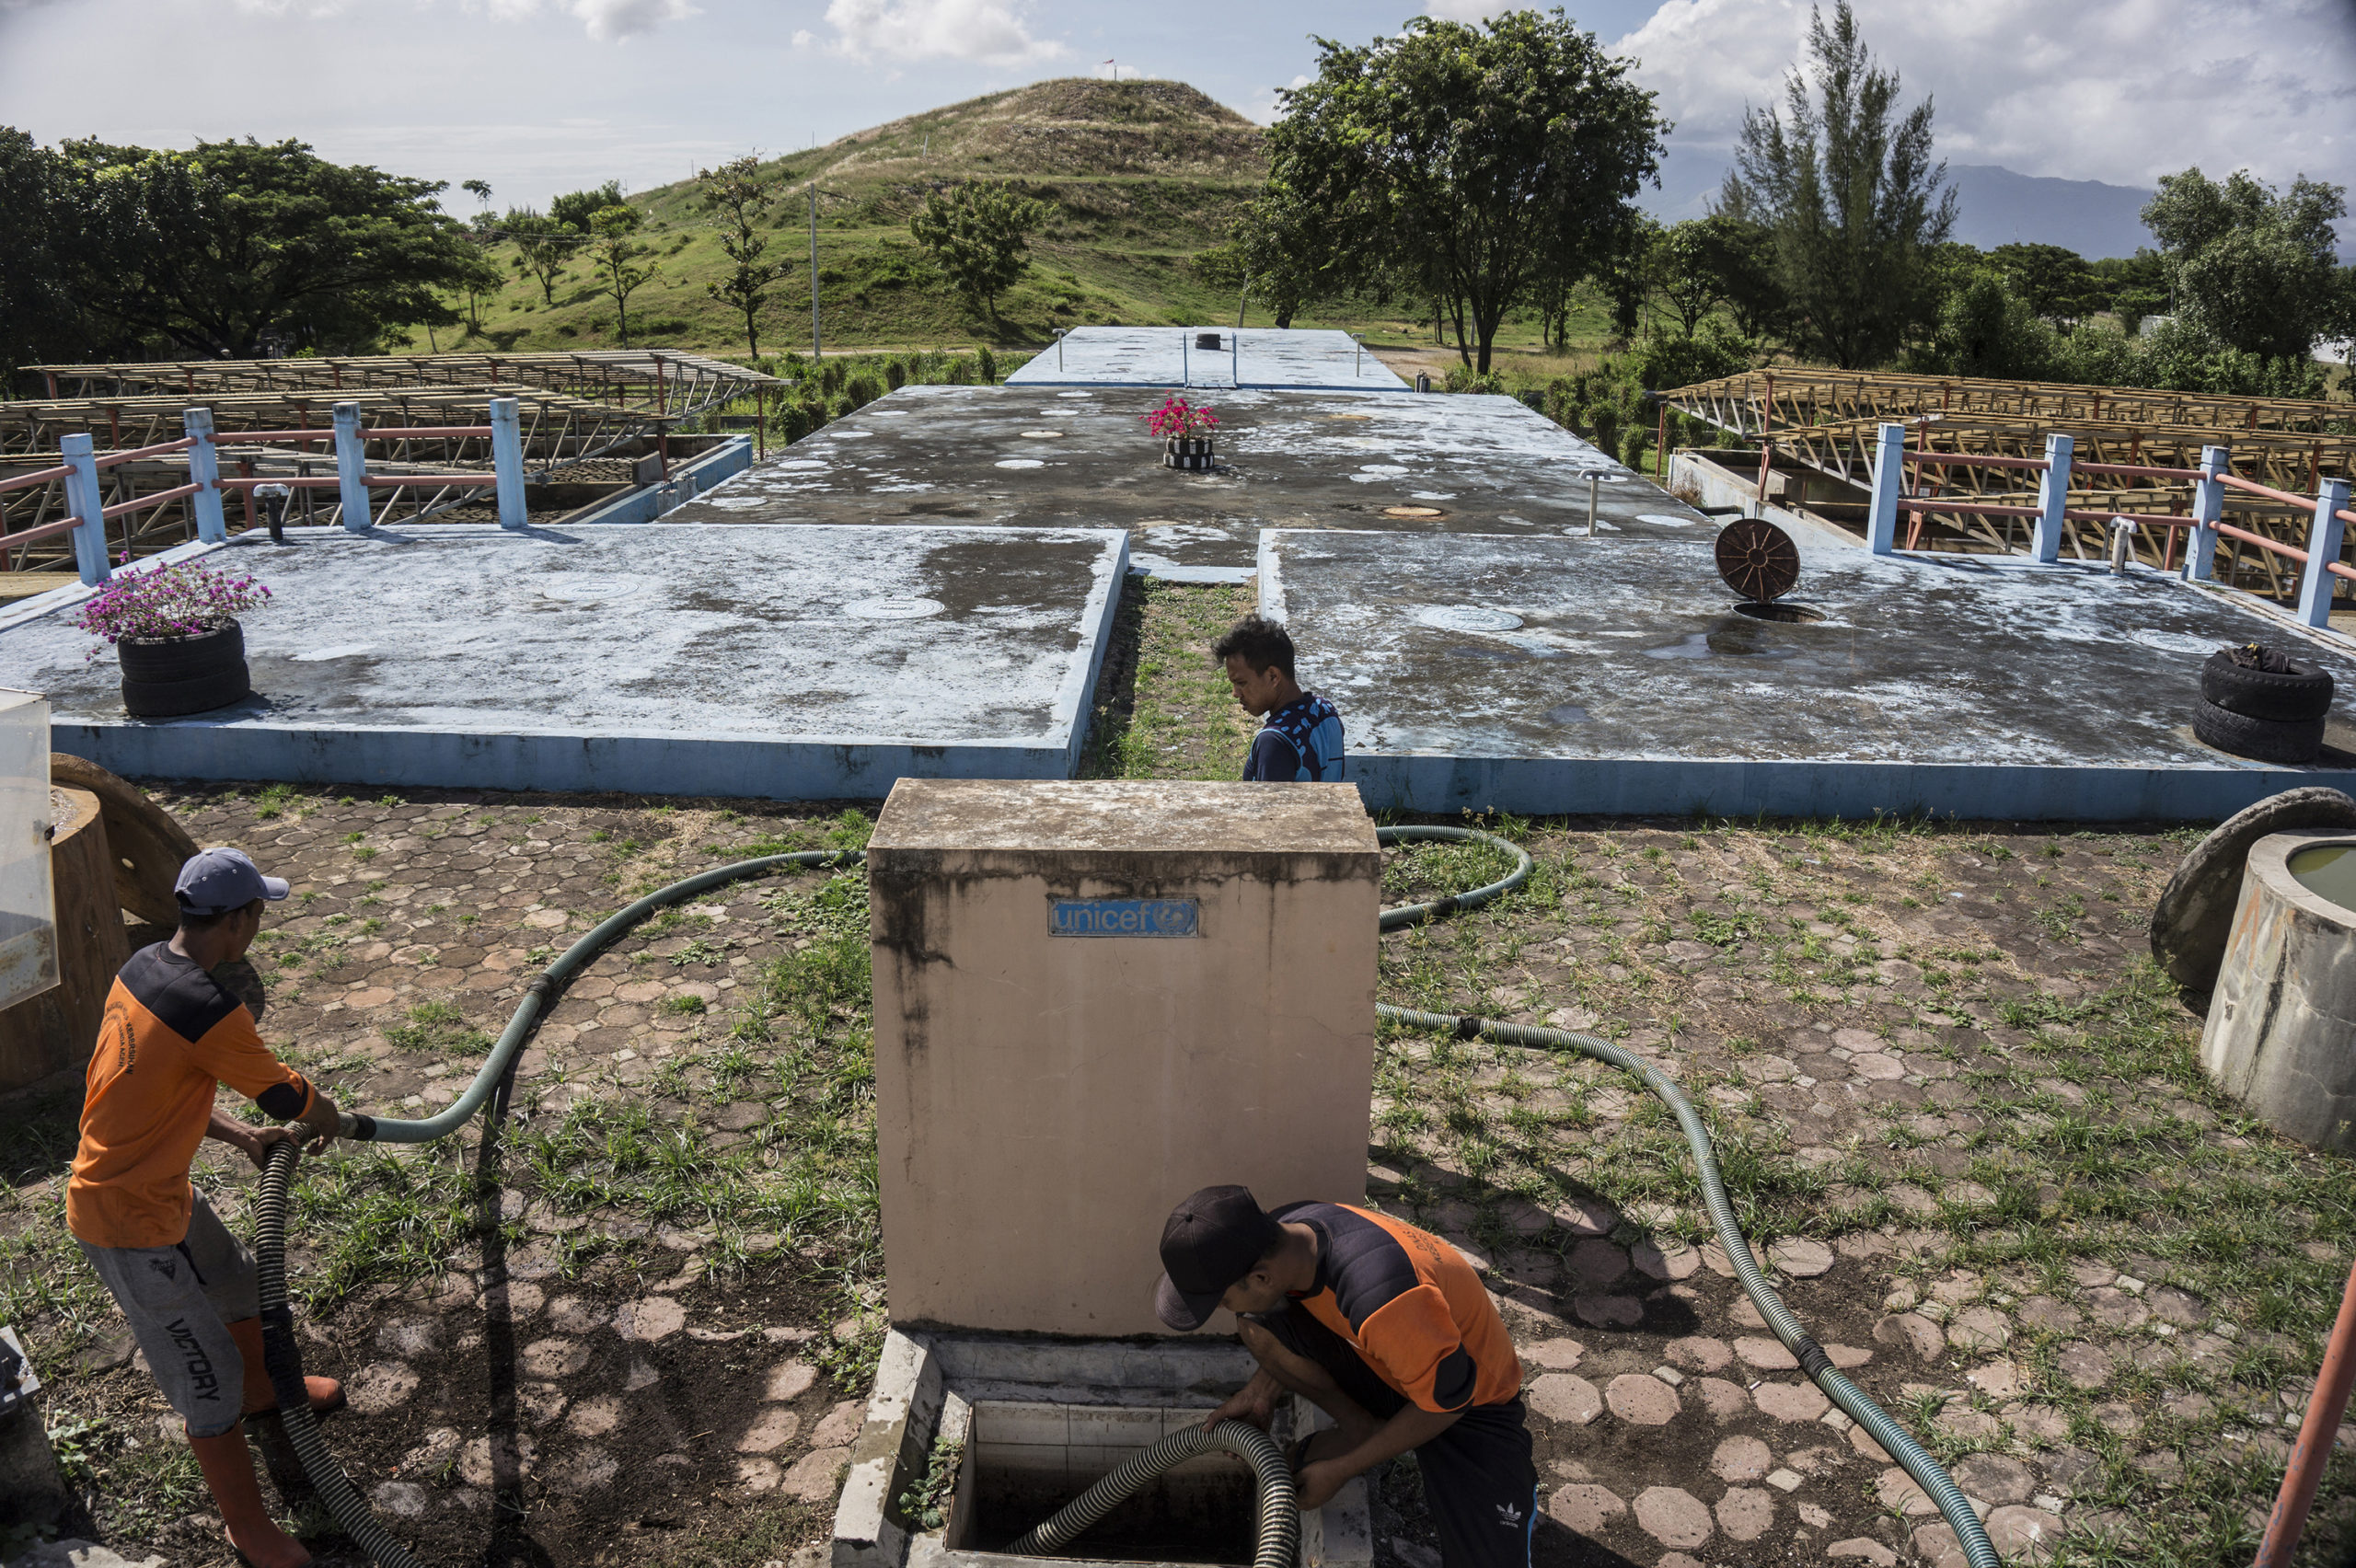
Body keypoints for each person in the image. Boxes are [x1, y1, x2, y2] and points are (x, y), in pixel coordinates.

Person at [68, 847, 346, 1568]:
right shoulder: (210, 1008)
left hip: (158, 1187)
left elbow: (159, 1085)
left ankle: (263, 1390)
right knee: (204, 1379)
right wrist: (329, 1117)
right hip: (125, 1220)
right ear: (238, 921)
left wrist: (241, 1134)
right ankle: (246, 1528)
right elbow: (289, 1096)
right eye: (258, 914)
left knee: (235, 1282)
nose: (258, 926)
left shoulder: (144, 970)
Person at [1154, 1185, 1536, 1568]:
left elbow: (1448, 1404)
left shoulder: (1384, 1298)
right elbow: (1294, 1313)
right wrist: (1260, 1392)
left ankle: (1375, 1447)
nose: (1223, 1308)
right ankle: (1360, 1429)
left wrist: (1343, 1469)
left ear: (1261, 1278)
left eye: (1222, 1299)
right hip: (1400, 1358)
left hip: (1470, 1405)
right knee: (1257, 1320)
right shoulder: (1288, 1231)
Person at [1213, 615, 1345, 782]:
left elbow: (1270, 808)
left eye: (1241, 683)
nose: (1235, 693)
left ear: (1273, 676)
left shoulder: (1273, 742)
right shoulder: (1326, 710)